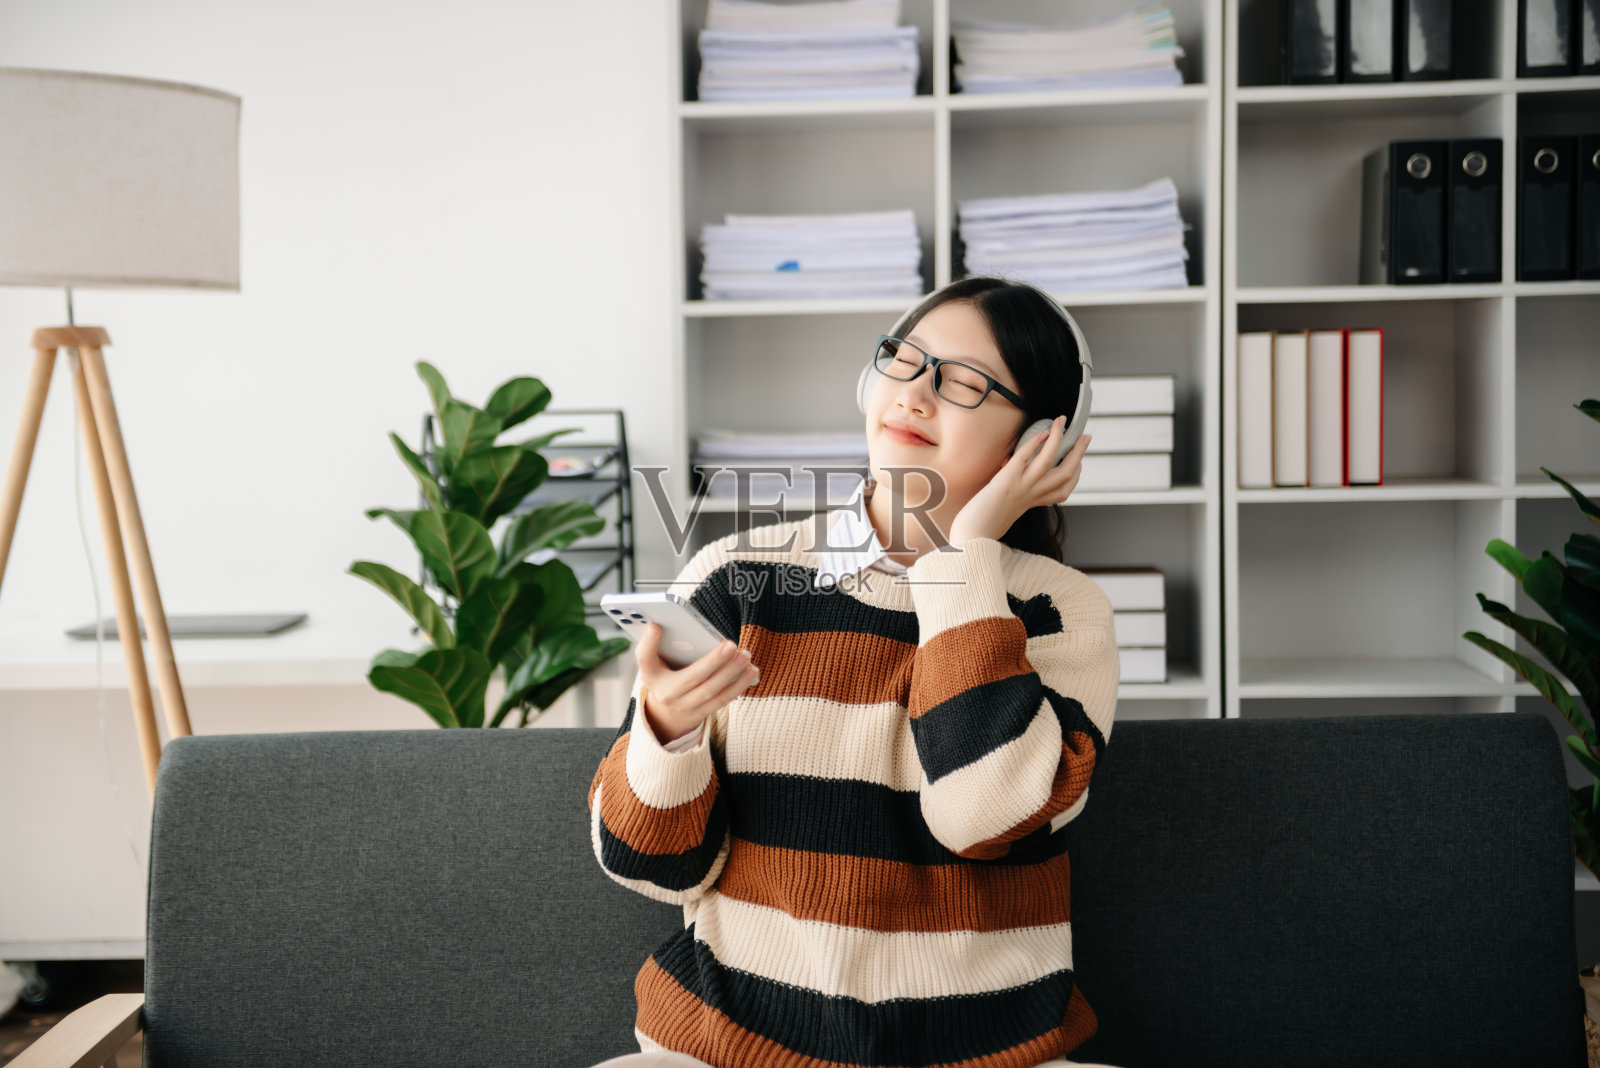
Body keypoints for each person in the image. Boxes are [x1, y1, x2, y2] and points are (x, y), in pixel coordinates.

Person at [586, 276, 1122, 1068]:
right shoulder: (737, 574)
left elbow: (980, 818)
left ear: (1037, 441)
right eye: (904, 361)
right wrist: (666, 734)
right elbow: (651, 865)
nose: (915, 393)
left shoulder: (1058, 612)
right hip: (724, 1049)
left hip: (986, 1053)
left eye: (966, 382)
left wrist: (964, 556)